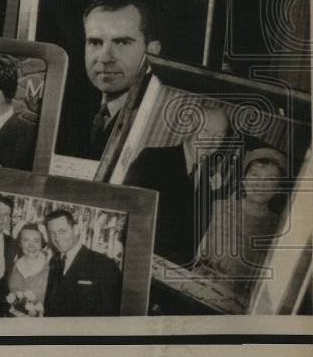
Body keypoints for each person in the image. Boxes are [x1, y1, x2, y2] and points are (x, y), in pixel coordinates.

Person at [123, 105, 235, 266]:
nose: (210, 143)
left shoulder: (209, 179)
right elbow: (126, 216)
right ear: (191, 129)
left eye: (218, 137)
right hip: (139, 264)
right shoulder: (152, 159)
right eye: (205, 132)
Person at [69, 0, 161, 160]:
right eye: (95, 42)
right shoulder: (70, 113)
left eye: (122, 42)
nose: (105, 58)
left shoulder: (158, 126)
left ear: (152, 52)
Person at [195, 147, 287, 290]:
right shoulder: (217, 208)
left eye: (270, 179)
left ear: (278, 189)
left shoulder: (278, 229)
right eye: (255, 175)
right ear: (243, 180)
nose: (260, 184)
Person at [43, 209, 121, 317]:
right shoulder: (55, 262)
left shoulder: (103, 264)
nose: (57, 238)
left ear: (75, 230)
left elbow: (111, 313)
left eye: (62, 231)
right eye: (52, 233)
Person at [5, 223, 50, 317]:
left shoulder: (50, 269)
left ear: (42, 244)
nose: (31, 245)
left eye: (36, 241)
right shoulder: (12, 265)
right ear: (20, 244)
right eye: (26, 240)